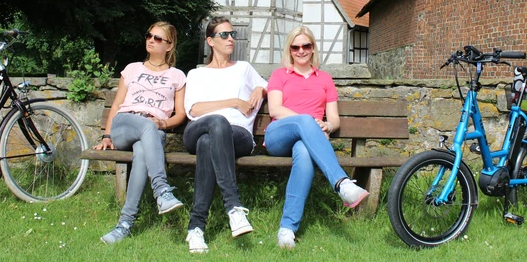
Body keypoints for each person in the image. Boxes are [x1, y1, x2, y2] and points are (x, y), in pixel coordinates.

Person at [265, 26, 370, 249]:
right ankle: (342, 184)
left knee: (304, 151)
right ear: (290, 50)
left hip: (306, 140)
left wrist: (327, 125)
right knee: (305, 120)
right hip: (278, 135)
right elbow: (274, 110)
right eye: (296, 47)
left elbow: (334, 119)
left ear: (313, 48)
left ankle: (286, 230)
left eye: (306, 46)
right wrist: (311, 122)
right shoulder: (279, 75)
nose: (301, 51)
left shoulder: (324, 79)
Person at [93, 21, 187, 244]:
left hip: (154, 131)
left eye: (158, 38)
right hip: (125, 123)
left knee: (143, 153)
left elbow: (180, 114)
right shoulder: (133, 68)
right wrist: (106, 136)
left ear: (169, 45)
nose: (151, 40)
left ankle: (124, 224)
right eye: (149, 35)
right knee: (146, 124)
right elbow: (116, 106)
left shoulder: (177, 76)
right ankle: (162, 190)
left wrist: (164, 124)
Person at [183, 16, 267, 254]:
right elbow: (194, 109)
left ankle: (195, 229)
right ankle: (234, 207)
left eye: (232, 34)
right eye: (224, 35)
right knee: (216, 124)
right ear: (210, 41)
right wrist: (233, 102)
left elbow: (268, 86)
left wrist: (260, 88)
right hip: (198, 128)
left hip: (238, 136)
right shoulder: (197, 74)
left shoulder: (244, 69)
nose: (231, 39)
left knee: (209, 142)